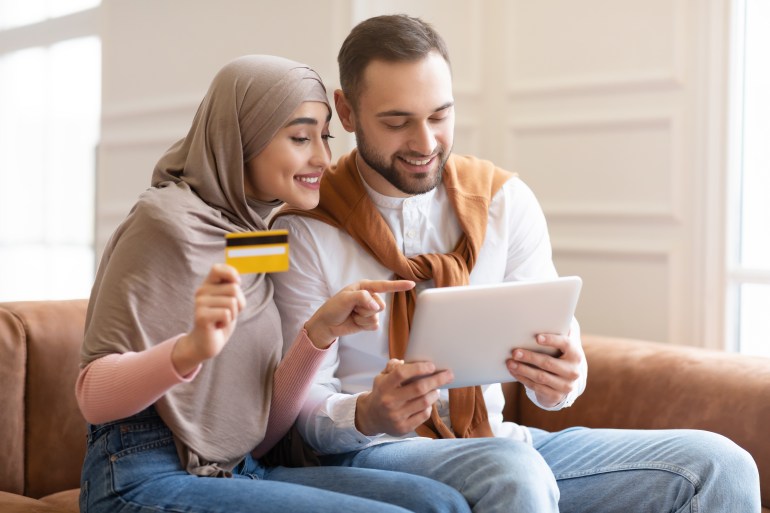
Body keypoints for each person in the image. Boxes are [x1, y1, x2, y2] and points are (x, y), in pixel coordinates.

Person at [270, 15, 762, 513]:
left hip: (498, 441)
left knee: (720, 464)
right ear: (347, 112)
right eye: (397, 122)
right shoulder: (307, 228)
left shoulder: (504, 202)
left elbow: (553, 346)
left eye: (441, 116)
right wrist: (368, 414)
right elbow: (296, 407)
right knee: (512, 471)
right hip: (373, 454)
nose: (425, 143)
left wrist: (564, 378)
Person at [75, 54, 472, 513]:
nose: (323, 157)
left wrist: (318, 334)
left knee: (440, 503)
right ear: (241, 138)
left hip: (238, 466)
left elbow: (261, 432)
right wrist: (190, 351)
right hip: (139, 472)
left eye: (324, 136)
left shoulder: (258, 238)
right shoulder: (163, 222)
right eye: (301, 137)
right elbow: (92, 396)